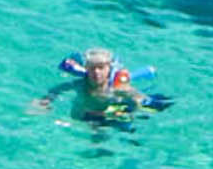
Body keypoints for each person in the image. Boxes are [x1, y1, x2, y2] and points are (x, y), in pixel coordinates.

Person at [33, 46, 164, 121]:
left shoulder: (117, 87)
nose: (96, 72)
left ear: (109, 69)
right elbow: (57, 90)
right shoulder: (80, 84)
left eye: (101, 68)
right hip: (87, 116)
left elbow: (138, 98)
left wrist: (134, 109)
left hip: (114, 113)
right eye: (92, 68)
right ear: (86, 68)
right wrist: (45, 101)